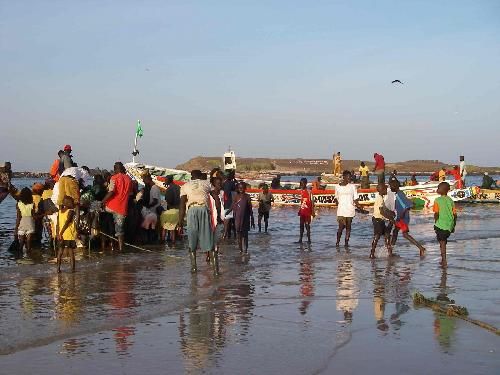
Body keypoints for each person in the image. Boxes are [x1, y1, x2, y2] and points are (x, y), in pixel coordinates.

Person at [178, 170, 213, 273]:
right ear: (200, 176)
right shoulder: (206, 184)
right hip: (204, 210)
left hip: (192, 210)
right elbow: (215, 196)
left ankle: (194, 267)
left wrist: (180, 222)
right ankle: (215, 268)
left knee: (192, 239)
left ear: (191, 176)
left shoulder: (185, 186)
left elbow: (182, 205)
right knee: (207, 238)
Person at [389, 179, 426, 256]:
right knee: (395, 232)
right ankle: (390, 250)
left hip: (402, 218)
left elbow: (406, 206)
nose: (390, 187)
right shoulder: (398, 194)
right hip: (400, 217)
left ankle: (421, 248)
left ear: (395, 186)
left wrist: (401, 216)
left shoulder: (399, 195)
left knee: (405, 234)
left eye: (391, 186)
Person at [102, 162, 132, 252]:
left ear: (115, 169)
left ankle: (100, 236)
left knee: (96, 209)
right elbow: (130, 193)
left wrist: (102, 202)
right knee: (120, 230)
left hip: (111, 206)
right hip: (123, 208)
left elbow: (111, 191)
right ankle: (120, 248)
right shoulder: (129, 179)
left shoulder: (114, 178)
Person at [335, 170, 363, 247]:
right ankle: (337, 242)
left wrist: (359, 206)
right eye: (348, 177)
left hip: (350, 210)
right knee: (341, 227)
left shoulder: (352, 187)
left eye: (350, 177)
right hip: (341, 210)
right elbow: (336, 197)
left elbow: (355, 199)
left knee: (348, 227)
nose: (349, 179)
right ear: (343, 177)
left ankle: (346, 243)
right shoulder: (337, 187)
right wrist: (337, 203)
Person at [433, 182, 457, 269]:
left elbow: (436, 213)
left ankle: (444, 260)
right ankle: (442, 258)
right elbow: (455, 214)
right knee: (443, 241)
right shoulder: (450, 200)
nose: (437, 189)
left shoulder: (437, 200)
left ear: (442, 190)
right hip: (449, 225)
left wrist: (435, 222)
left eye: (438, 188)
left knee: (442, 242)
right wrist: (453, 225)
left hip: (441, 225)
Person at [370, 183, 394, 259]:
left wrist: (391, 212)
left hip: (381, 219)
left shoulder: (381, 197)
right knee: (377, 236)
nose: (387, 190)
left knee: (387, 234)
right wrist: (390, 218)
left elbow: (384, 209)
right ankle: (372, 253)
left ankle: (390, 253)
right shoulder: (379, 198)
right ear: (382, 190)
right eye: (385, 189)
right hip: (377, 219)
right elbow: (381, 212)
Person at [207, 176, 224, 275]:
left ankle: (215, 269)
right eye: (218, 183)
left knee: (216, 246)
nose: (220, 185)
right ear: (213, 184)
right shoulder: (210, 195)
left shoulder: (221, 194)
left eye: (220, 183)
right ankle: (215, 271)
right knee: (212, 246)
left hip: (220, 223)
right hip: (212, 222)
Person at [232, 181, 255, 253]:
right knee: (239, 235)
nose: (241, 189)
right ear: (237, 188)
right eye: (239, 188)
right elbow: (233, 206)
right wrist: (227, 212)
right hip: (237, 219)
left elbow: (250, 209)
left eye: (242, 188)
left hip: (245, 219)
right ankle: (240, 250)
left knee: (245, 235)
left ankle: (245, 250)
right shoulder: (236, 196)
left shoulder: (247, 196)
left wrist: (252, 219)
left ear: (245, 188)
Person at [56, 195, 77, 273]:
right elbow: (67, 222)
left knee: (60, 252)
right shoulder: (71, 211)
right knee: (71, 253)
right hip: (68, 234)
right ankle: (72, 269)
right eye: (71, 203)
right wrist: (61, 233)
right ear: (67, 203)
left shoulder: (59, 211)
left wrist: (58, 233)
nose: (73, 204)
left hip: (61, 235)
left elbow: (57, 224)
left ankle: (58, 269)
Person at [138, 173, 161, 242]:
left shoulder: (154, 188)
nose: (144, 182)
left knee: (150, 228)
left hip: (153, 211)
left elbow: (155, 201)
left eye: (144, 180)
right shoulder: (152, 188)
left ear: (148, 179)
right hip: (152, 212)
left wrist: (147, 206)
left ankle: (151, 242)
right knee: (152, 228)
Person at [160, 175, 181, 243]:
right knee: (174, 228)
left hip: (172, 210)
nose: (164, 181)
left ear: (168, 180)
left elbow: (169, 201)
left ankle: (164, 241)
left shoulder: (169, 189)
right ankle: (174, 243)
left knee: (166, 227)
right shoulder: (178, 187)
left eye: (165, 180)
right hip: (179, 210)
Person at [15, 187, 35, 256]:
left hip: (21, 224)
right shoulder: (32, 204)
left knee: (21, 243)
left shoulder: (18, 204)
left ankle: (20, 258)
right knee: (29, 243)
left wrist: (16, 228)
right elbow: (34, 216)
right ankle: (29, 257)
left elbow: (18, 217)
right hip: (30, 224)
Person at [298, 178, 314, 244]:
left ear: (305, 184)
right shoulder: (301, 192)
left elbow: (312, 202)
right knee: (301, 225)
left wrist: (312, 212)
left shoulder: (309, 192)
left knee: (307, 225)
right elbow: (301, 202)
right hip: (302, 211)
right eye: (300, 184)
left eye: (302, 184)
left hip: (308, 212)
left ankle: (309, 240)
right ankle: (300, 239)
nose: (301, 185)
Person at [223, 170, 237, 239]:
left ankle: (226, 234)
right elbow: (234, 193)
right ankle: (228, 234)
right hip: (229, 203)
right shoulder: (231, 183)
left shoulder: (223, 183)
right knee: (229, 219)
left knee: (227, 219)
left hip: (225, 203)